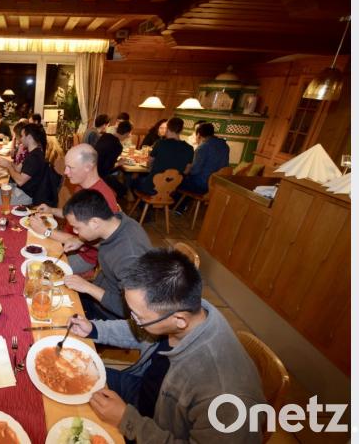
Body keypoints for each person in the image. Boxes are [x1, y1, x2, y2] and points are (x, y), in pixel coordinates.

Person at [68, 249, 265, 443]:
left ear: (179, 320)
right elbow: (142, 330)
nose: (133, 320)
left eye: (138, 316)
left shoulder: (224, 393)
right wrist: (93, 329)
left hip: (155, 427)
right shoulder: (189, 308)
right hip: (144, 392)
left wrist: (127, 420)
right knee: (70, 376)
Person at [59, 189, 152, 319]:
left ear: (94, 223)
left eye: (77, 228)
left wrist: (88, 287)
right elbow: (111, 247)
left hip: (109, 315)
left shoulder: (130, 257)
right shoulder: (118, 221)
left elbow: (131, 310)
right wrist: (83, 241)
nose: (74, 232)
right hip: (100, 291)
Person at [32, 144, 121, 275]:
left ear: (88, 167)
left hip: (85, 257)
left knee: (39, 272)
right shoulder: (81, 185)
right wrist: (51, 210)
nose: (65, 172)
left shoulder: (102, 198)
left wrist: (46, 232)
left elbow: (101, 244)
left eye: (70, 168)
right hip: (67, 242)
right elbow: (75, 215)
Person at [0, 123, 59, 207]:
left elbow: (20, 181)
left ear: (29, 137)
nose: (20, 139)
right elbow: (18, 169)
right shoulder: (33, 153)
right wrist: (6, 162)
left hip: (26, 195)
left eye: (22, 136)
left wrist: (8, 166)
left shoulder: (35, 157)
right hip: (21, 191)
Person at [175, 123, 231, 213]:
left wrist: (184, 169)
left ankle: (178, 208)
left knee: (177, 179)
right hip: (218, 186)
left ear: (198, 135)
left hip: (203, 186)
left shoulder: (203, 147)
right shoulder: (225, 146)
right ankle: (182, 206)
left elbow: (195, 171)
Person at [133, 117, 194, 196]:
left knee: (133, 180)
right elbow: (186, 171)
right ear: (181, 130)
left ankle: (140, 204)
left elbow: (149, 163)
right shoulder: (189, 148)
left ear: (167, 128)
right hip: (172, 189)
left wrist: (152, 170)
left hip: (152, 187)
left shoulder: (160, 143)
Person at [95, 120, 132, 198]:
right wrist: (119, 163)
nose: (129, 135)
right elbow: (107, 169)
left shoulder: (105, 136)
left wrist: (117, 162)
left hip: (92, 168)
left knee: (117, 179)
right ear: (126, 133)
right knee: (123, 189)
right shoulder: (118, 146)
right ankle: (110, 203)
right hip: (100, 175)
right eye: (129, 133)